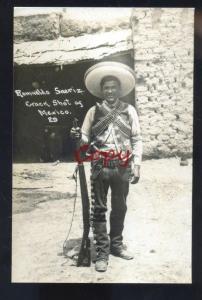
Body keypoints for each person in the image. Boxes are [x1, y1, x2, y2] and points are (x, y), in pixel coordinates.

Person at [71, 62, 143, 272]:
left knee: (120, 207)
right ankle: (102, 253)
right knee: (99, 210)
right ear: (101, 91)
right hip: (100, 165)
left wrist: (136, 164)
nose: (110, 91)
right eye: (106, 88)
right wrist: (78, 136)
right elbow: (85, 137)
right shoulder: (93, 111)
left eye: (113, 87)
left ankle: (116, 245)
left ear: (119, 90)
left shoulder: (129, 111)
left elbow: (137, 139)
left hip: (122, 166)